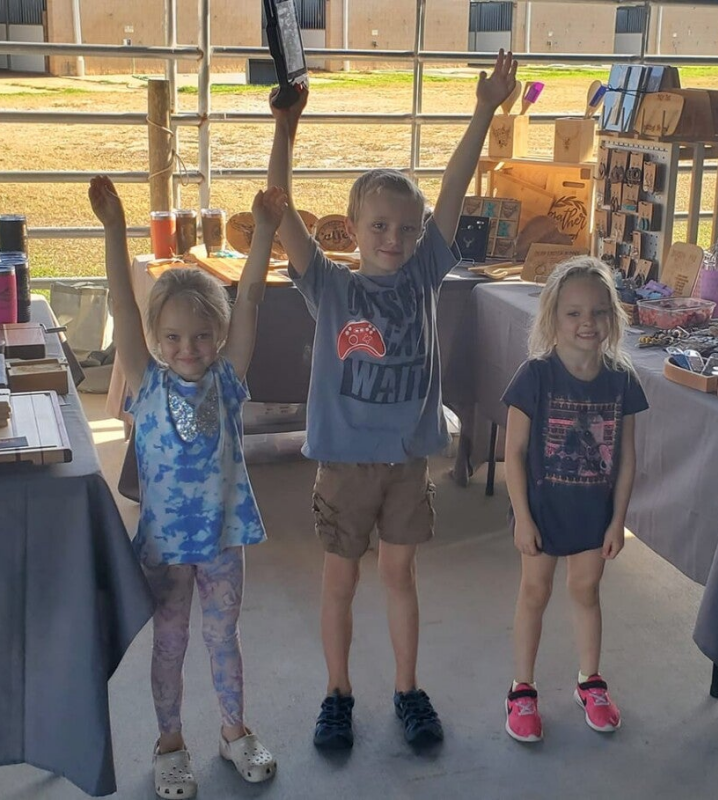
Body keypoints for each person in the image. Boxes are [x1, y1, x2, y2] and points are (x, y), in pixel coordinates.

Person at [267, 51, 518, 749]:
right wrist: (285, 130)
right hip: (345, 466)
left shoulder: (424, 274)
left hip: (407, 462)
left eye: (407, 228)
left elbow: (454, 189)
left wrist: (484, 110)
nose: (395, 239)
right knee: (340, 581)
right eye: (379, 226)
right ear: (352, 228)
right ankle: (337, 693)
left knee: (400, 575)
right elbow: (281, 212)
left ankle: (408, 689)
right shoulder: (332, 288)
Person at [89, 175, 286, 798]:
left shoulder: (227, 379)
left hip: (224, 539)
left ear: (218, 336)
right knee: (169, 644)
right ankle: (169, 743)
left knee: (224, 638)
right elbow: (124, 306)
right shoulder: (146, 382)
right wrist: (115, 230)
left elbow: (249, 301)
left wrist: (264, 233)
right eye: (173, 337)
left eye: (201, 336)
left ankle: (233, 731)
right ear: (156, 339)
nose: (188, 348)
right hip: (165, 548)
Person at [501, 256, 649, 743]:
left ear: (613, 316)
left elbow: (626, 457)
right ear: (553, 317)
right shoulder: (534, 376)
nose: (588, 322)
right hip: (542, 512)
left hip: (594, 514)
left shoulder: (622, 379)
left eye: (599, 311)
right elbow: (514, 453)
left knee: (586, 591)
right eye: (574, 312)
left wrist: (617, 520)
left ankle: (590, 681)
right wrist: (523, 518)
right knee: (534, 593)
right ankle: (522, 688)